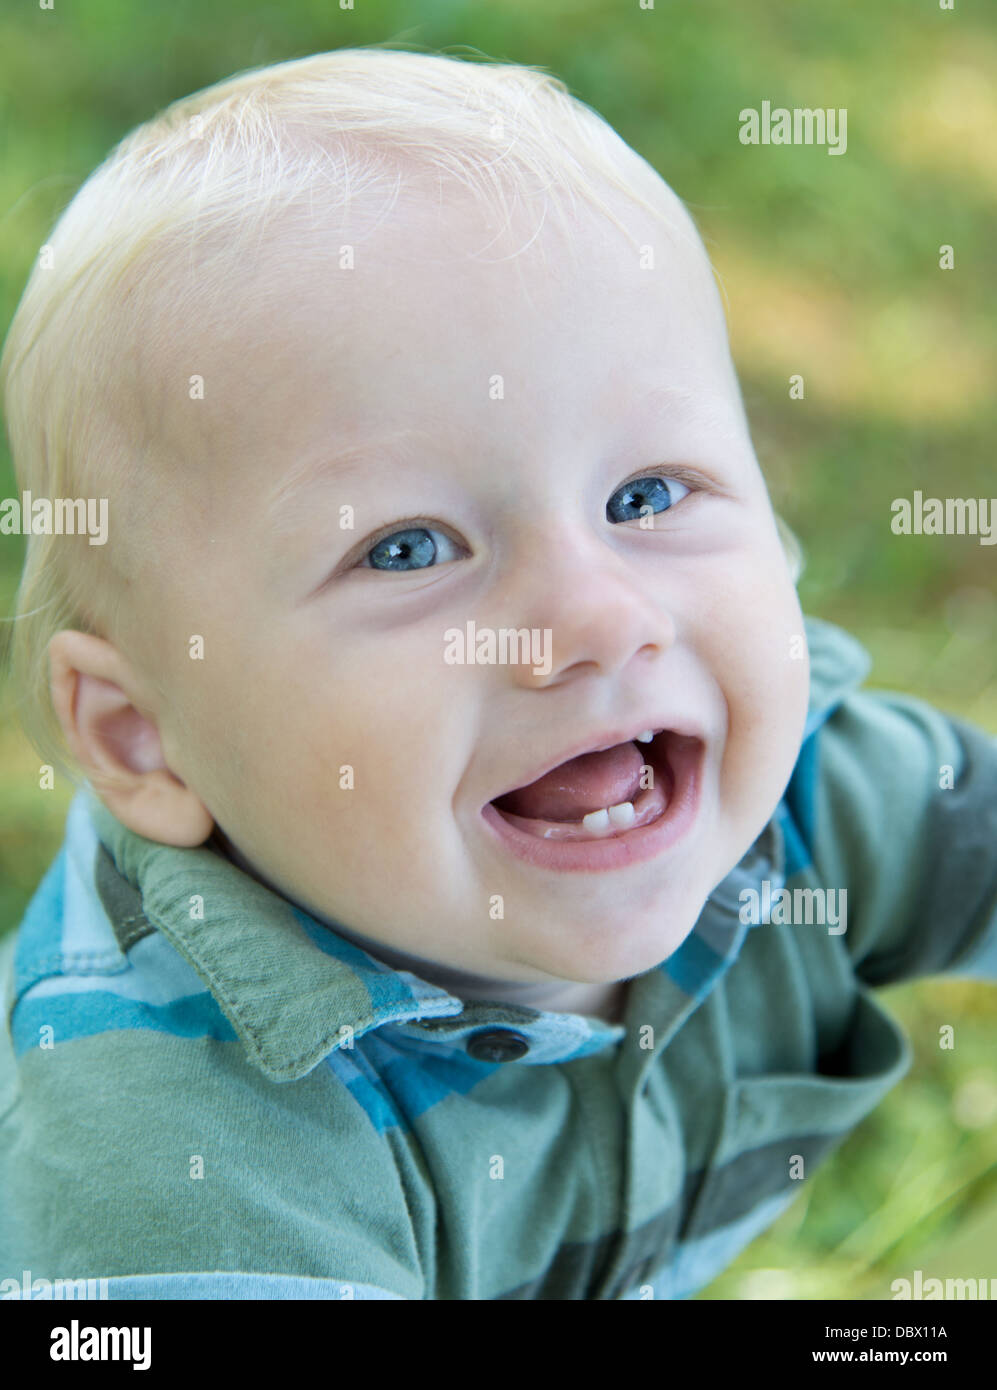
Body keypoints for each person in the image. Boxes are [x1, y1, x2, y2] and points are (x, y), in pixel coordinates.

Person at [0, 47, 994, 1300]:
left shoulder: (803, 801)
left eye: (644, 494)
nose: (594, 617)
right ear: (145, 734)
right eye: (408, 548)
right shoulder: (182, 1184)